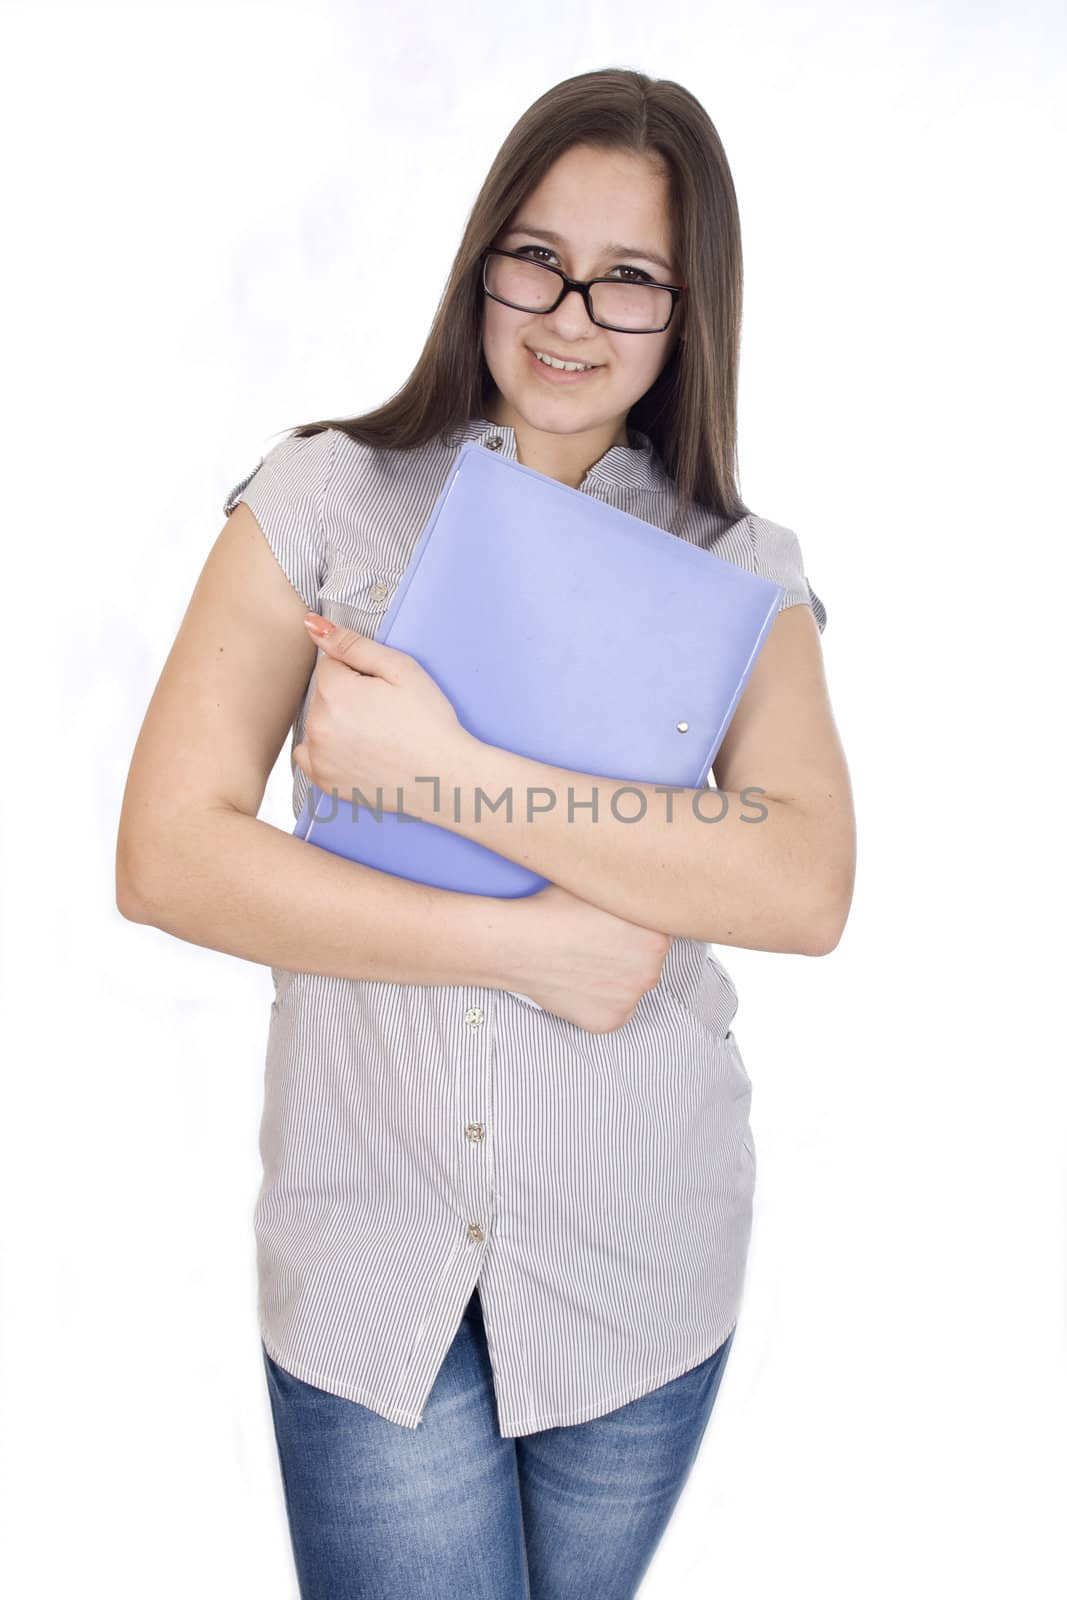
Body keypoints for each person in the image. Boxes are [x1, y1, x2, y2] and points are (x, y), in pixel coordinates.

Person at [116, 66, 854, 1600]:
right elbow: (168, 852)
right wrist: (524, 944)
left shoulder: (742, 572)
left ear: (689, 307)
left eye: (630, 278)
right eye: (537, 256)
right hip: (370, 1263)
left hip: (639, 1269)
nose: (570, 315)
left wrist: (440, 772)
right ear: (479, 260)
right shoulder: (326, 496)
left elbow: (802, 881)